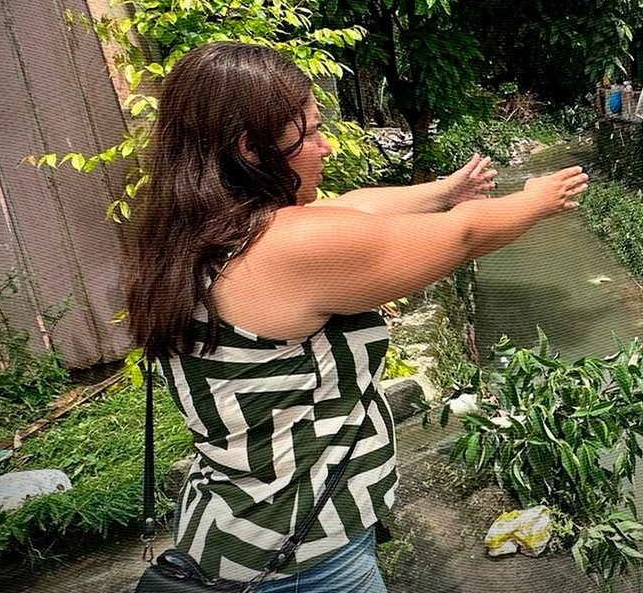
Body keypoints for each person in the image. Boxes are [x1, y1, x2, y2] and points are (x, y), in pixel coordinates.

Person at [123, 42, 588, 591]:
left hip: (238, 520)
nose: (325, 148)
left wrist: (446, 189)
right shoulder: (284, 248)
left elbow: (355, 207)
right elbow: (462, 235)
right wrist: (533, 199)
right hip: (301, 556)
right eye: (311, 132)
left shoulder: (194, 231)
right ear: (250, 148)